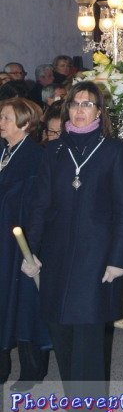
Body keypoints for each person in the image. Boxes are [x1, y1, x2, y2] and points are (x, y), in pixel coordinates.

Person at [22, 81, 123, 412]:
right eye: (75, 104)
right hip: (56, 253)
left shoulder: (115, 151)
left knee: (86, 330)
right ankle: (78, 398)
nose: (80, 110)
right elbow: (39, 206)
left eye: (88, 104)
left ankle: (84, 410)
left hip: (96, 256)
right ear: (67, 108)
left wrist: (118, 258)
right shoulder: (53, 151)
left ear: (99, 111)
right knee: (59, 326)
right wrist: (30, 250)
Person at [0, 98, 50, 390]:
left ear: (26, 123)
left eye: (6, 118)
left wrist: (31, 248)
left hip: (21, 244)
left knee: (25, 303)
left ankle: (33, 370)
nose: (1, 122)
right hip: (2, 244)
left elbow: (37, 207)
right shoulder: (3, 151)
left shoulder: (35, 157)